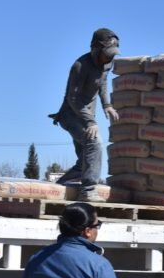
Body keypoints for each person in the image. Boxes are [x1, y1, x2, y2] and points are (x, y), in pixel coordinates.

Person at [49, 28, 121, 202]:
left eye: (112, 54)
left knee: (85, 161)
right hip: (71, 115)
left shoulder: (107, 63)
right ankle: (88, 191)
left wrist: (107, 105)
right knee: (94, 143)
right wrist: (90, 122)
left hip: (87, 115)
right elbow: (72, 98)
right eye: (106, 54)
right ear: (96, 49)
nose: (109, 58)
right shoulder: (80, 66)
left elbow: (102, 83)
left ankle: (59, 186)